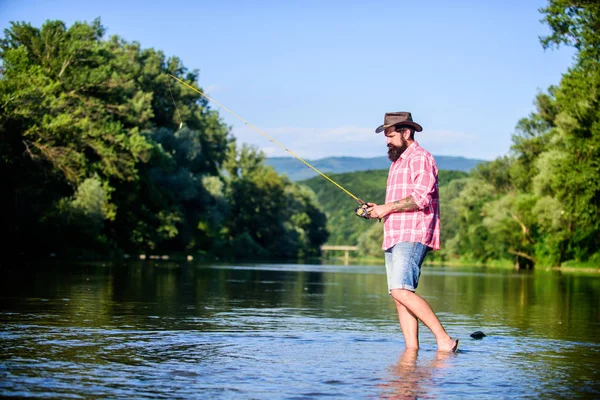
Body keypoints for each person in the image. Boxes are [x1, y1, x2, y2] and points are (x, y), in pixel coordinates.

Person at [366, 111, 458, 352]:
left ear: (406, 133)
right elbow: (399, 202)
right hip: (394, 234)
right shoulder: (397, 164)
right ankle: (411, 352)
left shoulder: (420, 158)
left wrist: (387, 207)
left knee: (401, 290)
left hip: (413, 233)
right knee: (399, 296)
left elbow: (420, 198)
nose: (387, 141)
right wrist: (380, 210)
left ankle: (444, 340)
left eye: (390, 135)